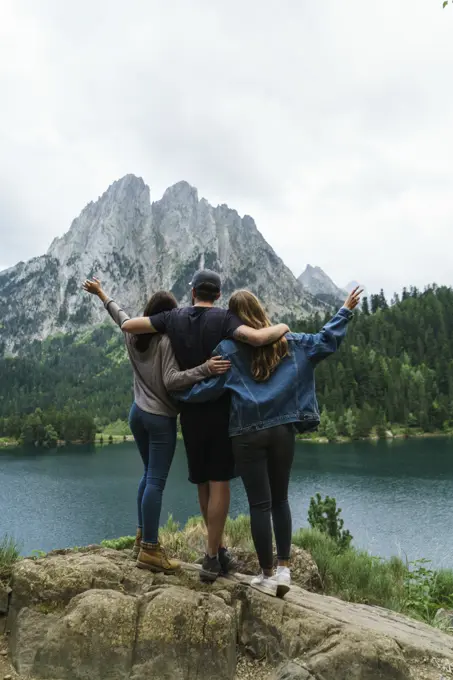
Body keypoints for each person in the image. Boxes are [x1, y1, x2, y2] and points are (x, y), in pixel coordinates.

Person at [173, 287, 362, 596]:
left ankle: (266, 575)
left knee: (259, 505)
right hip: (283, 431)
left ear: (234, 320)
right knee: (280, 500)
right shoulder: (289, 341)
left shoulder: (227, 349)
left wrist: (178, 392)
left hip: (247, 435)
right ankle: (285, 570)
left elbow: (208, 390)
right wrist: (344, 310)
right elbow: (326, 341)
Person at [120, 269, 290, 582]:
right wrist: (283, 326)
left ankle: (218, 549)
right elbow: (259, 338)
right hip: (221, 412)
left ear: (193, 291)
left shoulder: (173, 318)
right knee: (219, 481)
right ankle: (212, 556)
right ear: (218, 294)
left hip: (190, 414)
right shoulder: (225, 319)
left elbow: (128, 324)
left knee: (202, 482)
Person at [82, 277, 231, 574]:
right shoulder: (165, 341)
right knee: (156, 481)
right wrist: (206, 369)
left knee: (147, 475)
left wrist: (101, 293)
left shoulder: (132, 336)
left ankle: (141, 538)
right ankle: (150, 548)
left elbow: (119, 315)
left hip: (136, 414)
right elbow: (172, 380)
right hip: (160, 418)